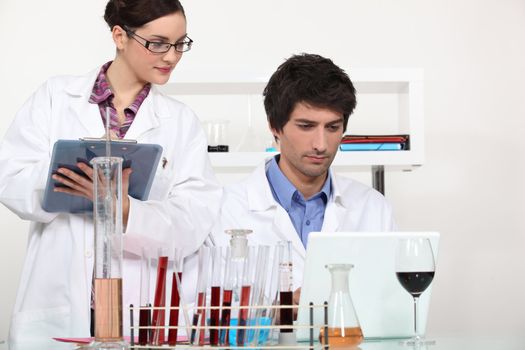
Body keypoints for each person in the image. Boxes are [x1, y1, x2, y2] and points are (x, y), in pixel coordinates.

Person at [0, 0, 221, 346]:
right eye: (158, 43)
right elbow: (9, 179)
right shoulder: (56, 97)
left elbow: (194, 219)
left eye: (180, 44)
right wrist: (72, 178)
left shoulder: (181, 122)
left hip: (137, 305)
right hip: (60, 300)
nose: (172, 56)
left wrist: (124, 207)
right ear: (120, 35)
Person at [211, 53, 395, 304]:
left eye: (332, 127)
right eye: (306, 126)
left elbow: (390, 303)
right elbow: (205, 311)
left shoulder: (373, 207)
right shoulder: (224, 209)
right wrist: (275, 311)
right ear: (275, 126)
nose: (321, 145)